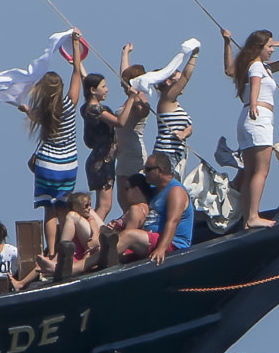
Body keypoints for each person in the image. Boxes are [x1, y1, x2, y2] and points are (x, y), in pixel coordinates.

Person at [221, 27, 279, 230]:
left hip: (248, 120)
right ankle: (252, 216)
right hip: (258, 118)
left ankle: (248, 217)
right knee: (261, 171)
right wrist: (255, 104)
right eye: (269, 46)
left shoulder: (261, 66)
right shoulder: (257, 67)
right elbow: (255, 85)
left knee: (250, 171)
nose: (272, 50)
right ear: (258, 48)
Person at [17, 32, 86, 260]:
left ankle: (52, 251)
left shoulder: (42, 112)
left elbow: (32, 113)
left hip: (47, 163)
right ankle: (64, 252)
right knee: (64, 210)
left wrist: (25, 108)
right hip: (67, 163)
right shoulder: (69, 104)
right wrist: (75, 45)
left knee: (49, 211)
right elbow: (77, 71)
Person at [135, 38, 200, 170]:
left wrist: (185, 133)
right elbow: (186, 78)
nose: (180, 80)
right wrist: (194, 55)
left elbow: (189, 127)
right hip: (164, 154)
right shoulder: (166, 100)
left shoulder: (175, 104)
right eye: (177, 76)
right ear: (169, 82)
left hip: (175, 155)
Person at [118, 152, 192, 264]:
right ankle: (91, 264)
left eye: (148, 169)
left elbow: (173, 221)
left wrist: (161, 248)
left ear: (160, 170)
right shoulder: (154, 190)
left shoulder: (176, 191)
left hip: (172, 244)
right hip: (149, 239)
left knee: (128, 236)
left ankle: (97, 261)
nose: (145, 173)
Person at [81, 72, 122, 222]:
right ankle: (93, 232)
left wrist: (78, 63)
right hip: (103, 161)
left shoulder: (87, 106)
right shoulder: (95, 109)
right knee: (105, 205)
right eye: (103, 86)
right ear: (93, 90)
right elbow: (119, 122)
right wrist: (131, 98)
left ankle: (92, 230)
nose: (107, 89)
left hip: (100, 159)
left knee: (102, 204)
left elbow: (85, 79)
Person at [115, 46, 151, 179]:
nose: (122, 85)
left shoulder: (140, 98)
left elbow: (143, 111)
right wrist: (124, 53)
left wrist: (134, 98)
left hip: (133, 154)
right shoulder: (130, 97)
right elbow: (124, 74)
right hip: (124, 153)